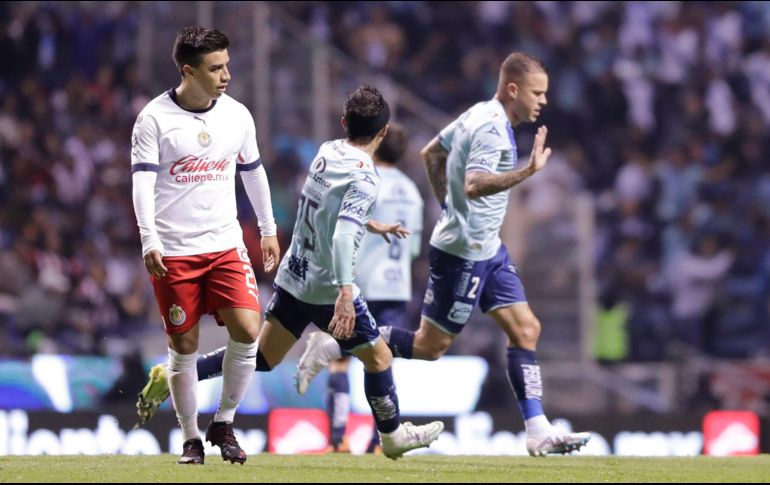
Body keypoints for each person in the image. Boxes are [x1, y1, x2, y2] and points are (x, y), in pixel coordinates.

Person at [295, 52, 592, 457]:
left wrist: (447, 205)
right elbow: (473, 184)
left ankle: (537, 429)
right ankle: (335, 345)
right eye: (537, 93)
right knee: (429, 347)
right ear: (513, 89)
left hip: (489, 248)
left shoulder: (479, 113)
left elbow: (432, 152)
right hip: (464, 253)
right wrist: (526, 173)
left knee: (526, 329)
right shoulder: (490, 128)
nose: (543, 101)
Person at [137, 86, 443, 460]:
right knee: (379, 359)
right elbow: (344, 233)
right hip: (328, 289)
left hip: (294, 278)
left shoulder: (326, 152)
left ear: (344, 122)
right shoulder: (365, 176)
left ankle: (169, 376)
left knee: (263, 357)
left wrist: (373, 224)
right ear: (382, 132)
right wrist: (346, 293)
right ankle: (393, 437)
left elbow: (328, 211)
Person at [131, 26, 280, 466]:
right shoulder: (154, 120)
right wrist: (149, 238)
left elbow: (253, 172)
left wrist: (268, 228)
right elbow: (141, 183)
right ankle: (192, 438)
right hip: (174, 252)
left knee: (249, 329)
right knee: (184, 347)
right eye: (215, 68)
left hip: (225, 245)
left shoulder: (238, 115)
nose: (226, 75)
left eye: (227, 65)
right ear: (188, 71)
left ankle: (224, 422)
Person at [320, 123, 423, 454]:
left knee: (340, 362)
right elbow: (416, 248)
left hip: (362, 285)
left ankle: (338, 439)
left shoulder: (367, 181)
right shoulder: (412, 192)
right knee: (383, 362)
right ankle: (381, 440)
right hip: (397, 288)